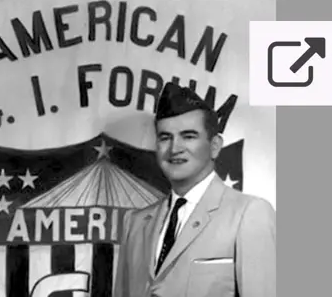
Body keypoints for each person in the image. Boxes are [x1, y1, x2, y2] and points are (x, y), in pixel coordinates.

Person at [114, 82, 276, 297]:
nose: (174, 148)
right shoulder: (135, 223)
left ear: (215, 146)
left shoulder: (249, 214)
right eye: (165, 137)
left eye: (188, 136)